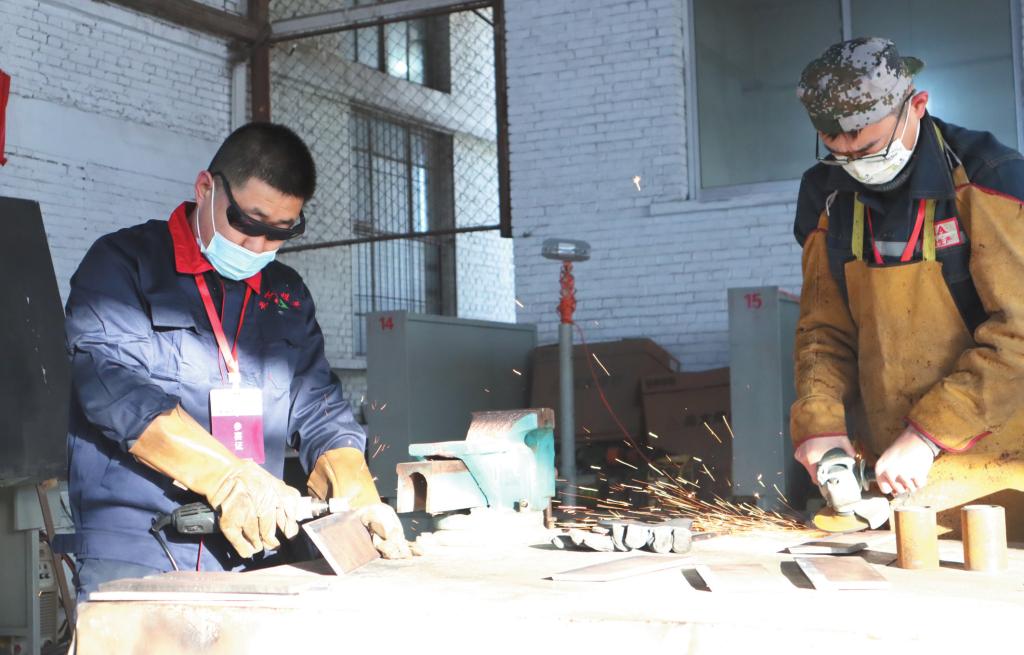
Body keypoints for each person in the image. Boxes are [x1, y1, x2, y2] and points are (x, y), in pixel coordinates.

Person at [56, 123, 410, 600]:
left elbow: (319, 411)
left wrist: (359, 499)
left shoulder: (286, 294)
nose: (258, 247)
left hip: (254, 548)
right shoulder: (123, 266)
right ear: (206, 189)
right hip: (140, 548)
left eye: (280, 232)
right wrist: (227, 477)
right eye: (248, 222)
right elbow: (114, 390)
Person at [790, 38, 1024, 501]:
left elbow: (1018, 334)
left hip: (1002, 460)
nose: (856, 165)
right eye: (839, 151)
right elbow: (824, 329)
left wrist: (928, 434)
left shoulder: (989, 180)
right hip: (894, 465)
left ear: (917, 106)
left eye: (870, 147)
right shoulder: (827, 196)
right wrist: (820, 420)